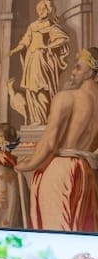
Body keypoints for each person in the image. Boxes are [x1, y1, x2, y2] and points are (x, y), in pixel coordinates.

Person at [15, 48, 98, 232]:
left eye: (78, 67)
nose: (73, 72)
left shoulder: (66, 97)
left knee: (55, 230)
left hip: (61, 170)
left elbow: (50, 142)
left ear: (90, 72)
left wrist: (27, 165)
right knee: (80, 230)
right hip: (87, 172)